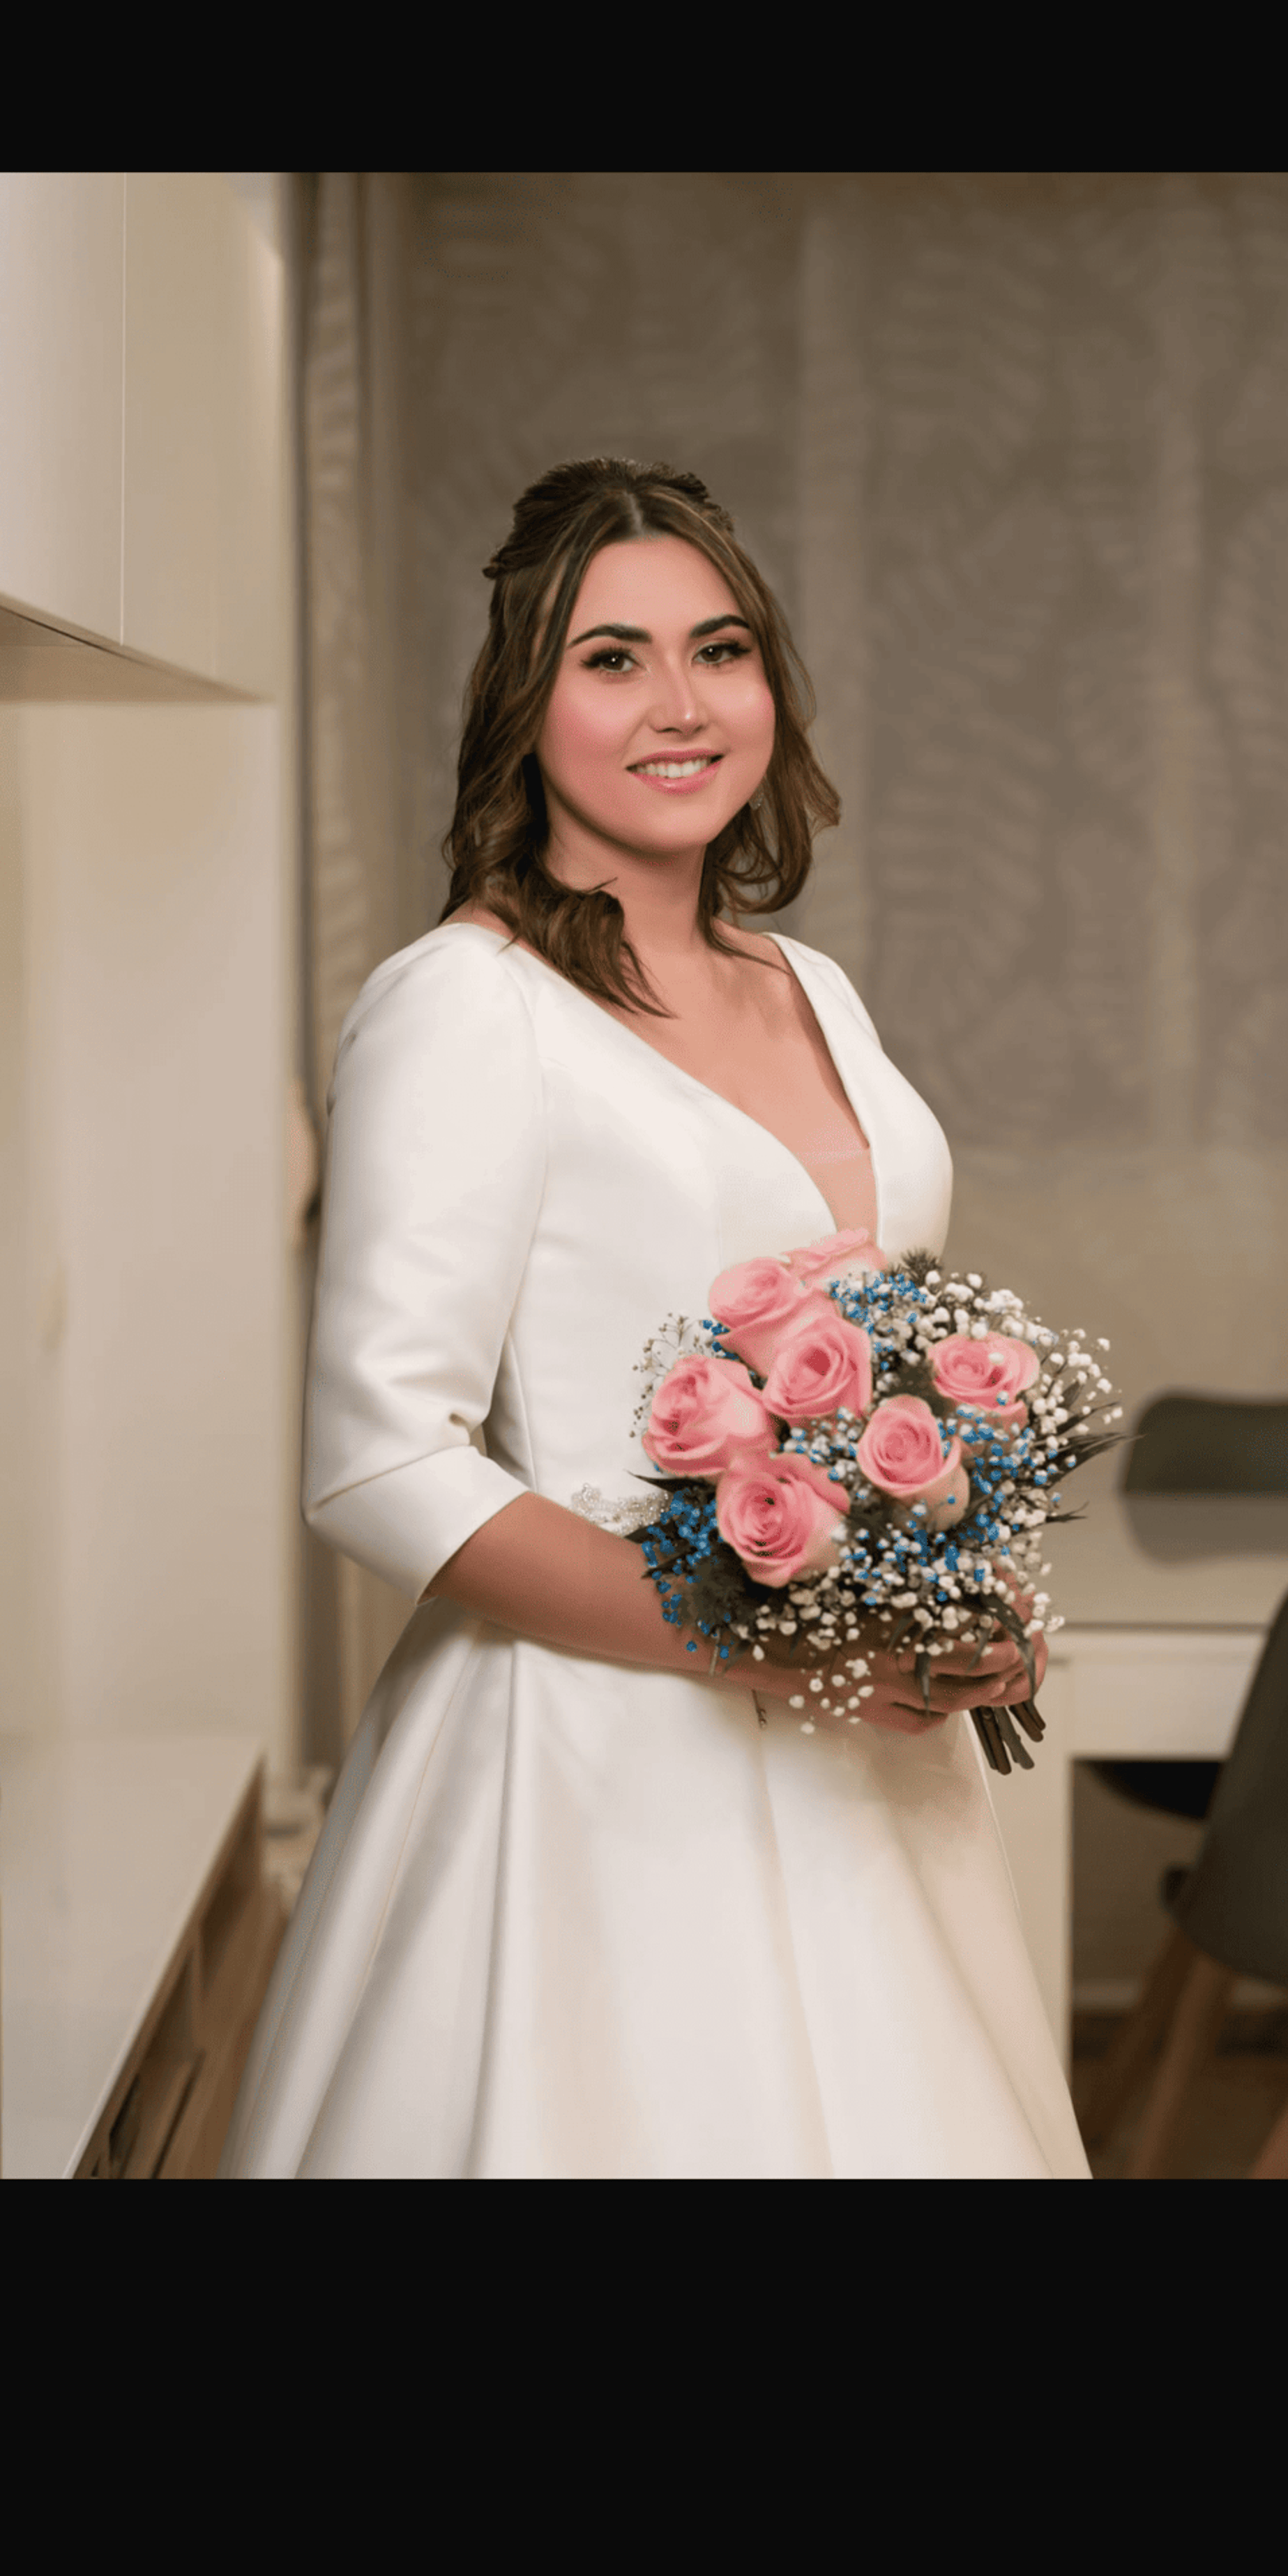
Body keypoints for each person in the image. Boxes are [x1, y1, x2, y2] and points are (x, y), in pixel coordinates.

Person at [219, 458, 1092, 2179]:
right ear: (523, 705)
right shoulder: (465, 1005)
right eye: (612, 659)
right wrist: (770, 1639)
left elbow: (879, 1355)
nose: (681, 705)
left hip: (879, 1776)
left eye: (722, 647)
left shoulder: (807, 981)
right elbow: (379, 1460)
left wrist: (963, 1594)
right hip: (593, 1771)